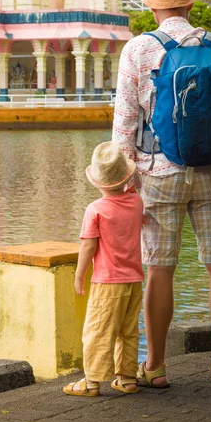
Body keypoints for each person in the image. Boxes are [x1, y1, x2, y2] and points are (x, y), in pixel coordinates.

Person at [113, 0, 211, 387]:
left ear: (153, 8)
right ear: (190, 4)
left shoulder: (138, 49)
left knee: (160, 269)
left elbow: (126, 120)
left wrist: (124, 176)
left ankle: (155, 366)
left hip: (158, 172)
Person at [63, 141, 144, 397]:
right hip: (134, 280)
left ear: (97, 182)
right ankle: (127, 378)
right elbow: (135, 188)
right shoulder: (136, 203)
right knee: (128, 330)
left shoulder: (95, 209)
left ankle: (91, 382)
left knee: (97, 331)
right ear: (126, 177)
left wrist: (79, 276)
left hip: (107, 281)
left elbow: (88, 247)